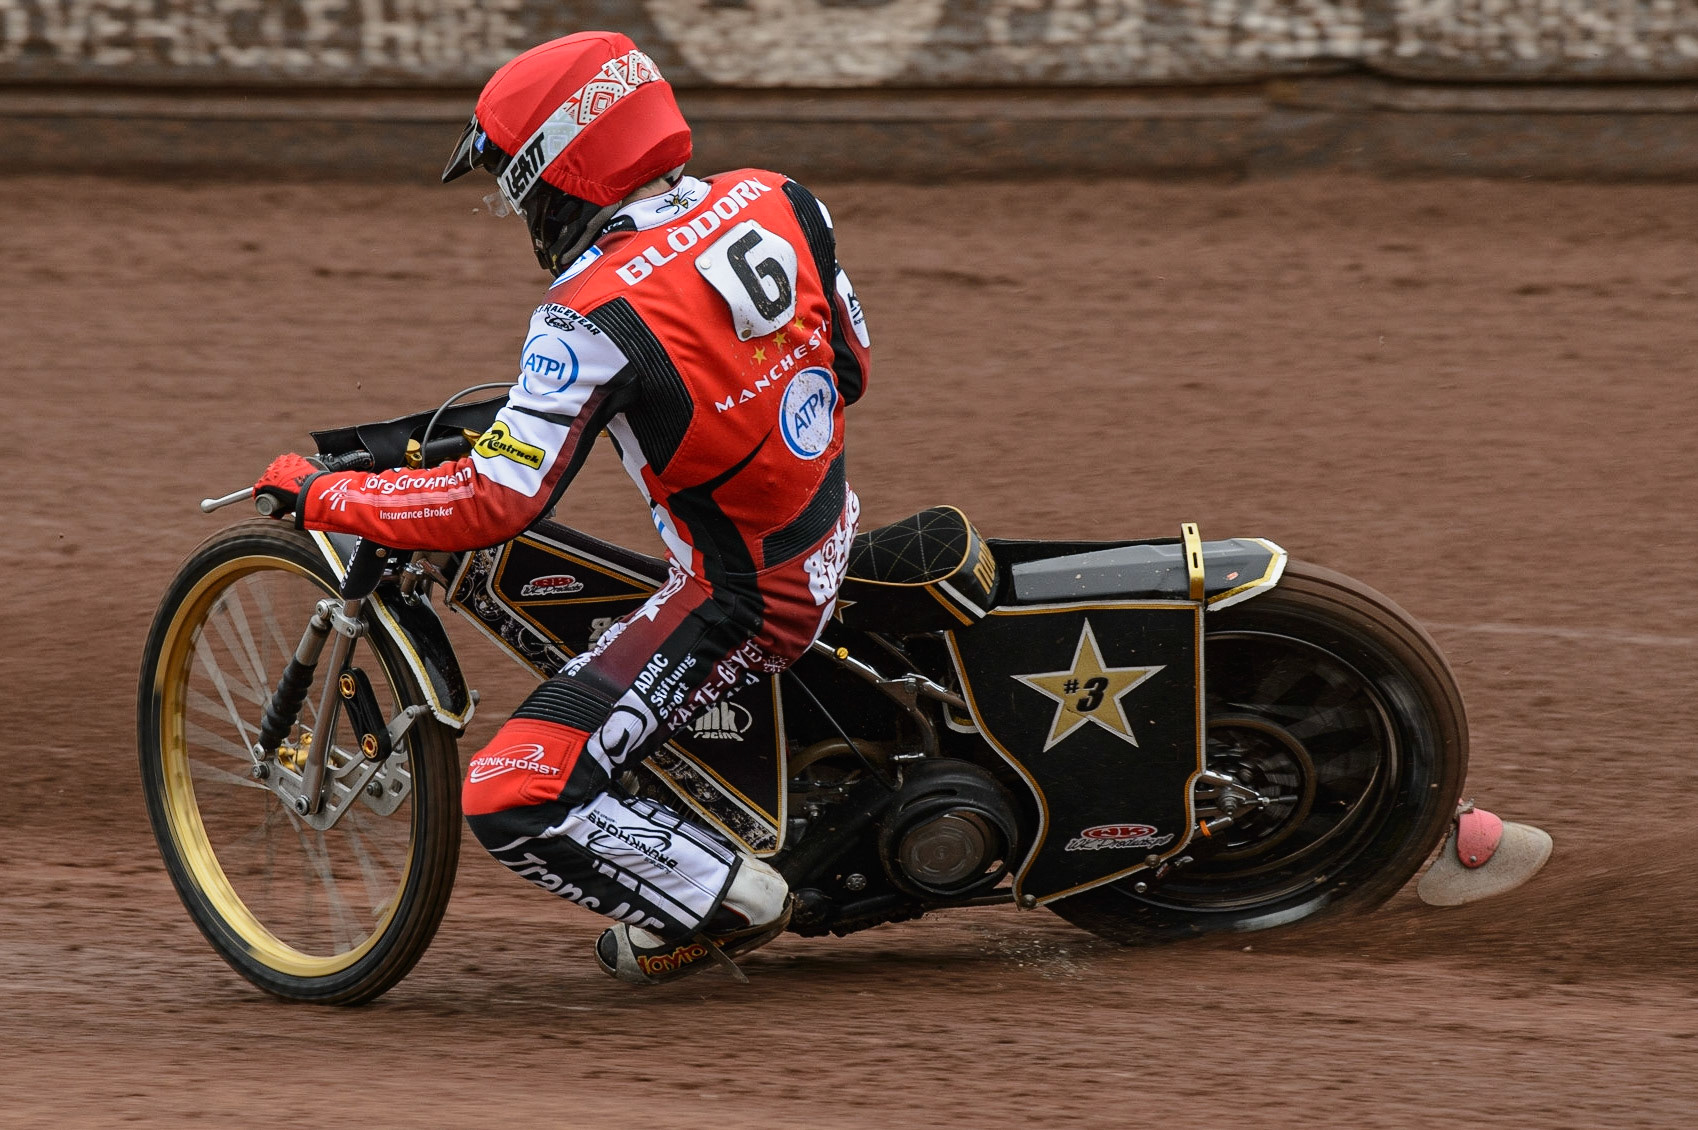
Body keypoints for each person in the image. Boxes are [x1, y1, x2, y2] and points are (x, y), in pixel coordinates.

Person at [251, 30, 871, 984]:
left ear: (563, 165)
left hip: (746, 598)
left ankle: (732, 902)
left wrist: (330, 495)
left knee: (511, 791)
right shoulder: (784, 199)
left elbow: (496, 500)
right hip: (828, 522)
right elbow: (851, 370)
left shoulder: (586, 311)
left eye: (517, 185)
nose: (520, 209)